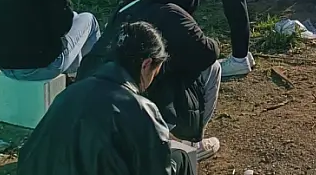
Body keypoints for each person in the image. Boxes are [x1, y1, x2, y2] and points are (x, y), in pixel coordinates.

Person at [78, 0, 221, 159]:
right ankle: (186, 145)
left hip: (90, 91)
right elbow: (207, 52)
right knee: (212, 67)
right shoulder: (170, 12)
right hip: (134, 97)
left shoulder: (127, 7)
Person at [18, 21, 196, 175]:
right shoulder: (140, 109)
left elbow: (29, 155)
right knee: (179, 159)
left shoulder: (69, 94)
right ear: (146, 64)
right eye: (155, 72)